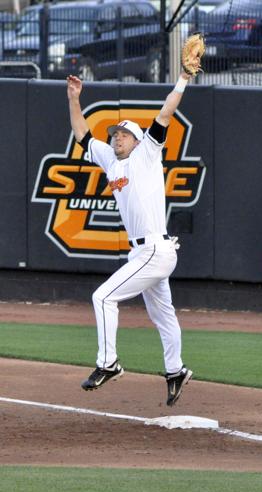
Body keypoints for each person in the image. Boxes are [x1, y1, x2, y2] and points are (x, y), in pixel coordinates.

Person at [66, 66, 199, 407]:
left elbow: (167, 110)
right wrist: (74, 98)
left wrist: (183, 78)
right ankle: (176, 371)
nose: (116, 137)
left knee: (103, 297)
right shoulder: (110, 159)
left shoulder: (147, 152)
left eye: (123, 134)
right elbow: (81, 134)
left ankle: (108, 363)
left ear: (137, 139)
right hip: (143, 253)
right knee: (163, 315)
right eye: (114, 134)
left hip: (156, 249)